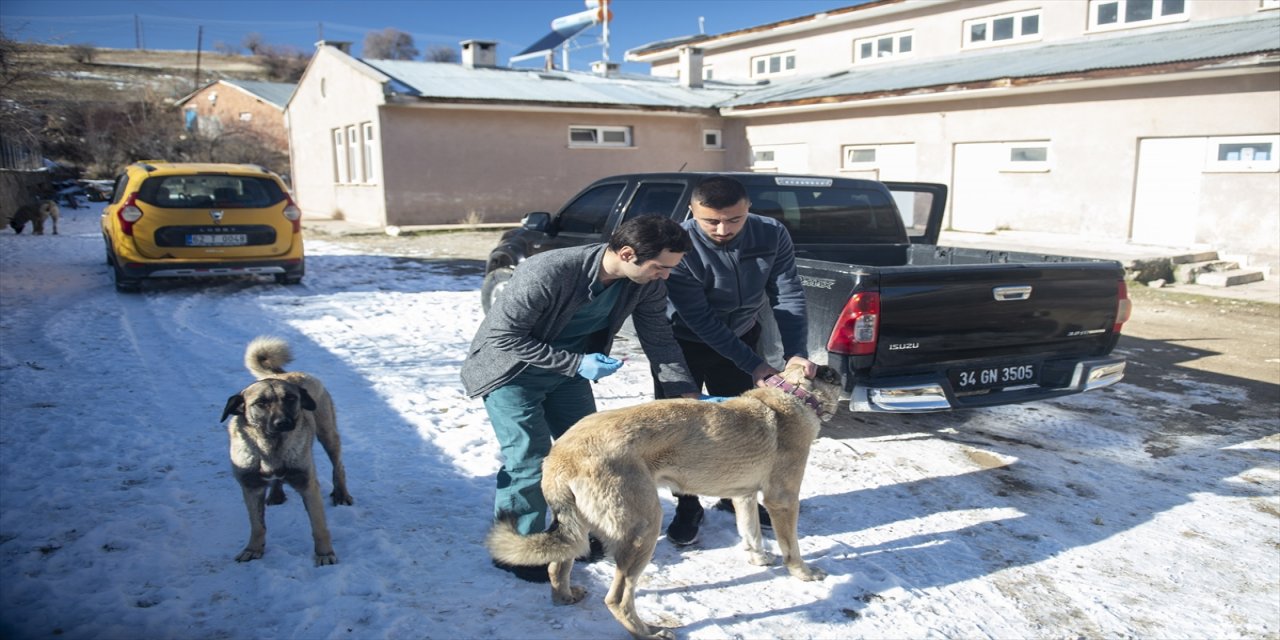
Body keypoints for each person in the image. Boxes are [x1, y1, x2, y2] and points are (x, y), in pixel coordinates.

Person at [461, 215, 700, 581]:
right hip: (510, 373)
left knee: (590, 455)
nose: (665, 275)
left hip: (568, 373)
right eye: (660, 267)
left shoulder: (645, 284)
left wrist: (685, 394)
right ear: (626, 253)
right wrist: (575, 362)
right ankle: (517, 549)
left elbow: (661, 341)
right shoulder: (549, 271)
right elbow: (504, 337)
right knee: (530, 459)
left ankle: (572, 536)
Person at [653, 175, 818, 546]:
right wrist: (754, 365)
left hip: (743, 335)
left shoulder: (771, 233)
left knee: (744, 427)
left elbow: (788, 292)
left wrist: (796, 351)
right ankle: (687, 506)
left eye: (734, 219)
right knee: (682, 430)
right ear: (692, 211)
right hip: (683, 344)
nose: (723, 229)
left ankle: (737, 495)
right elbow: (700, 319)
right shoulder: (677, 244)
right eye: (711, 221)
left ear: (748, 210)